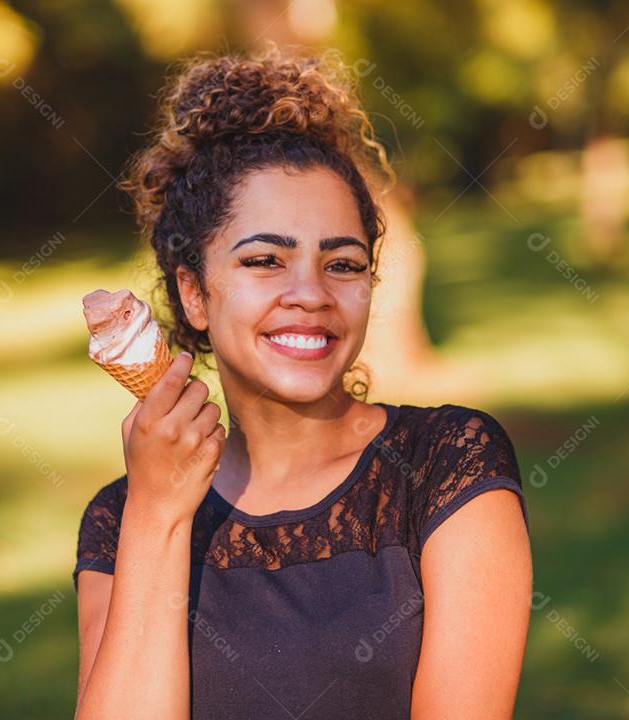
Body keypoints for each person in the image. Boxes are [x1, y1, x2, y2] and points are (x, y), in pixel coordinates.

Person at [72, 44, 532, 720]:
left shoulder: (447, 465)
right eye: (265, 259)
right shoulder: (121, 517)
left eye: (342, 264)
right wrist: (158, 516)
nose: (310, 293)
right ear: (194, 294)